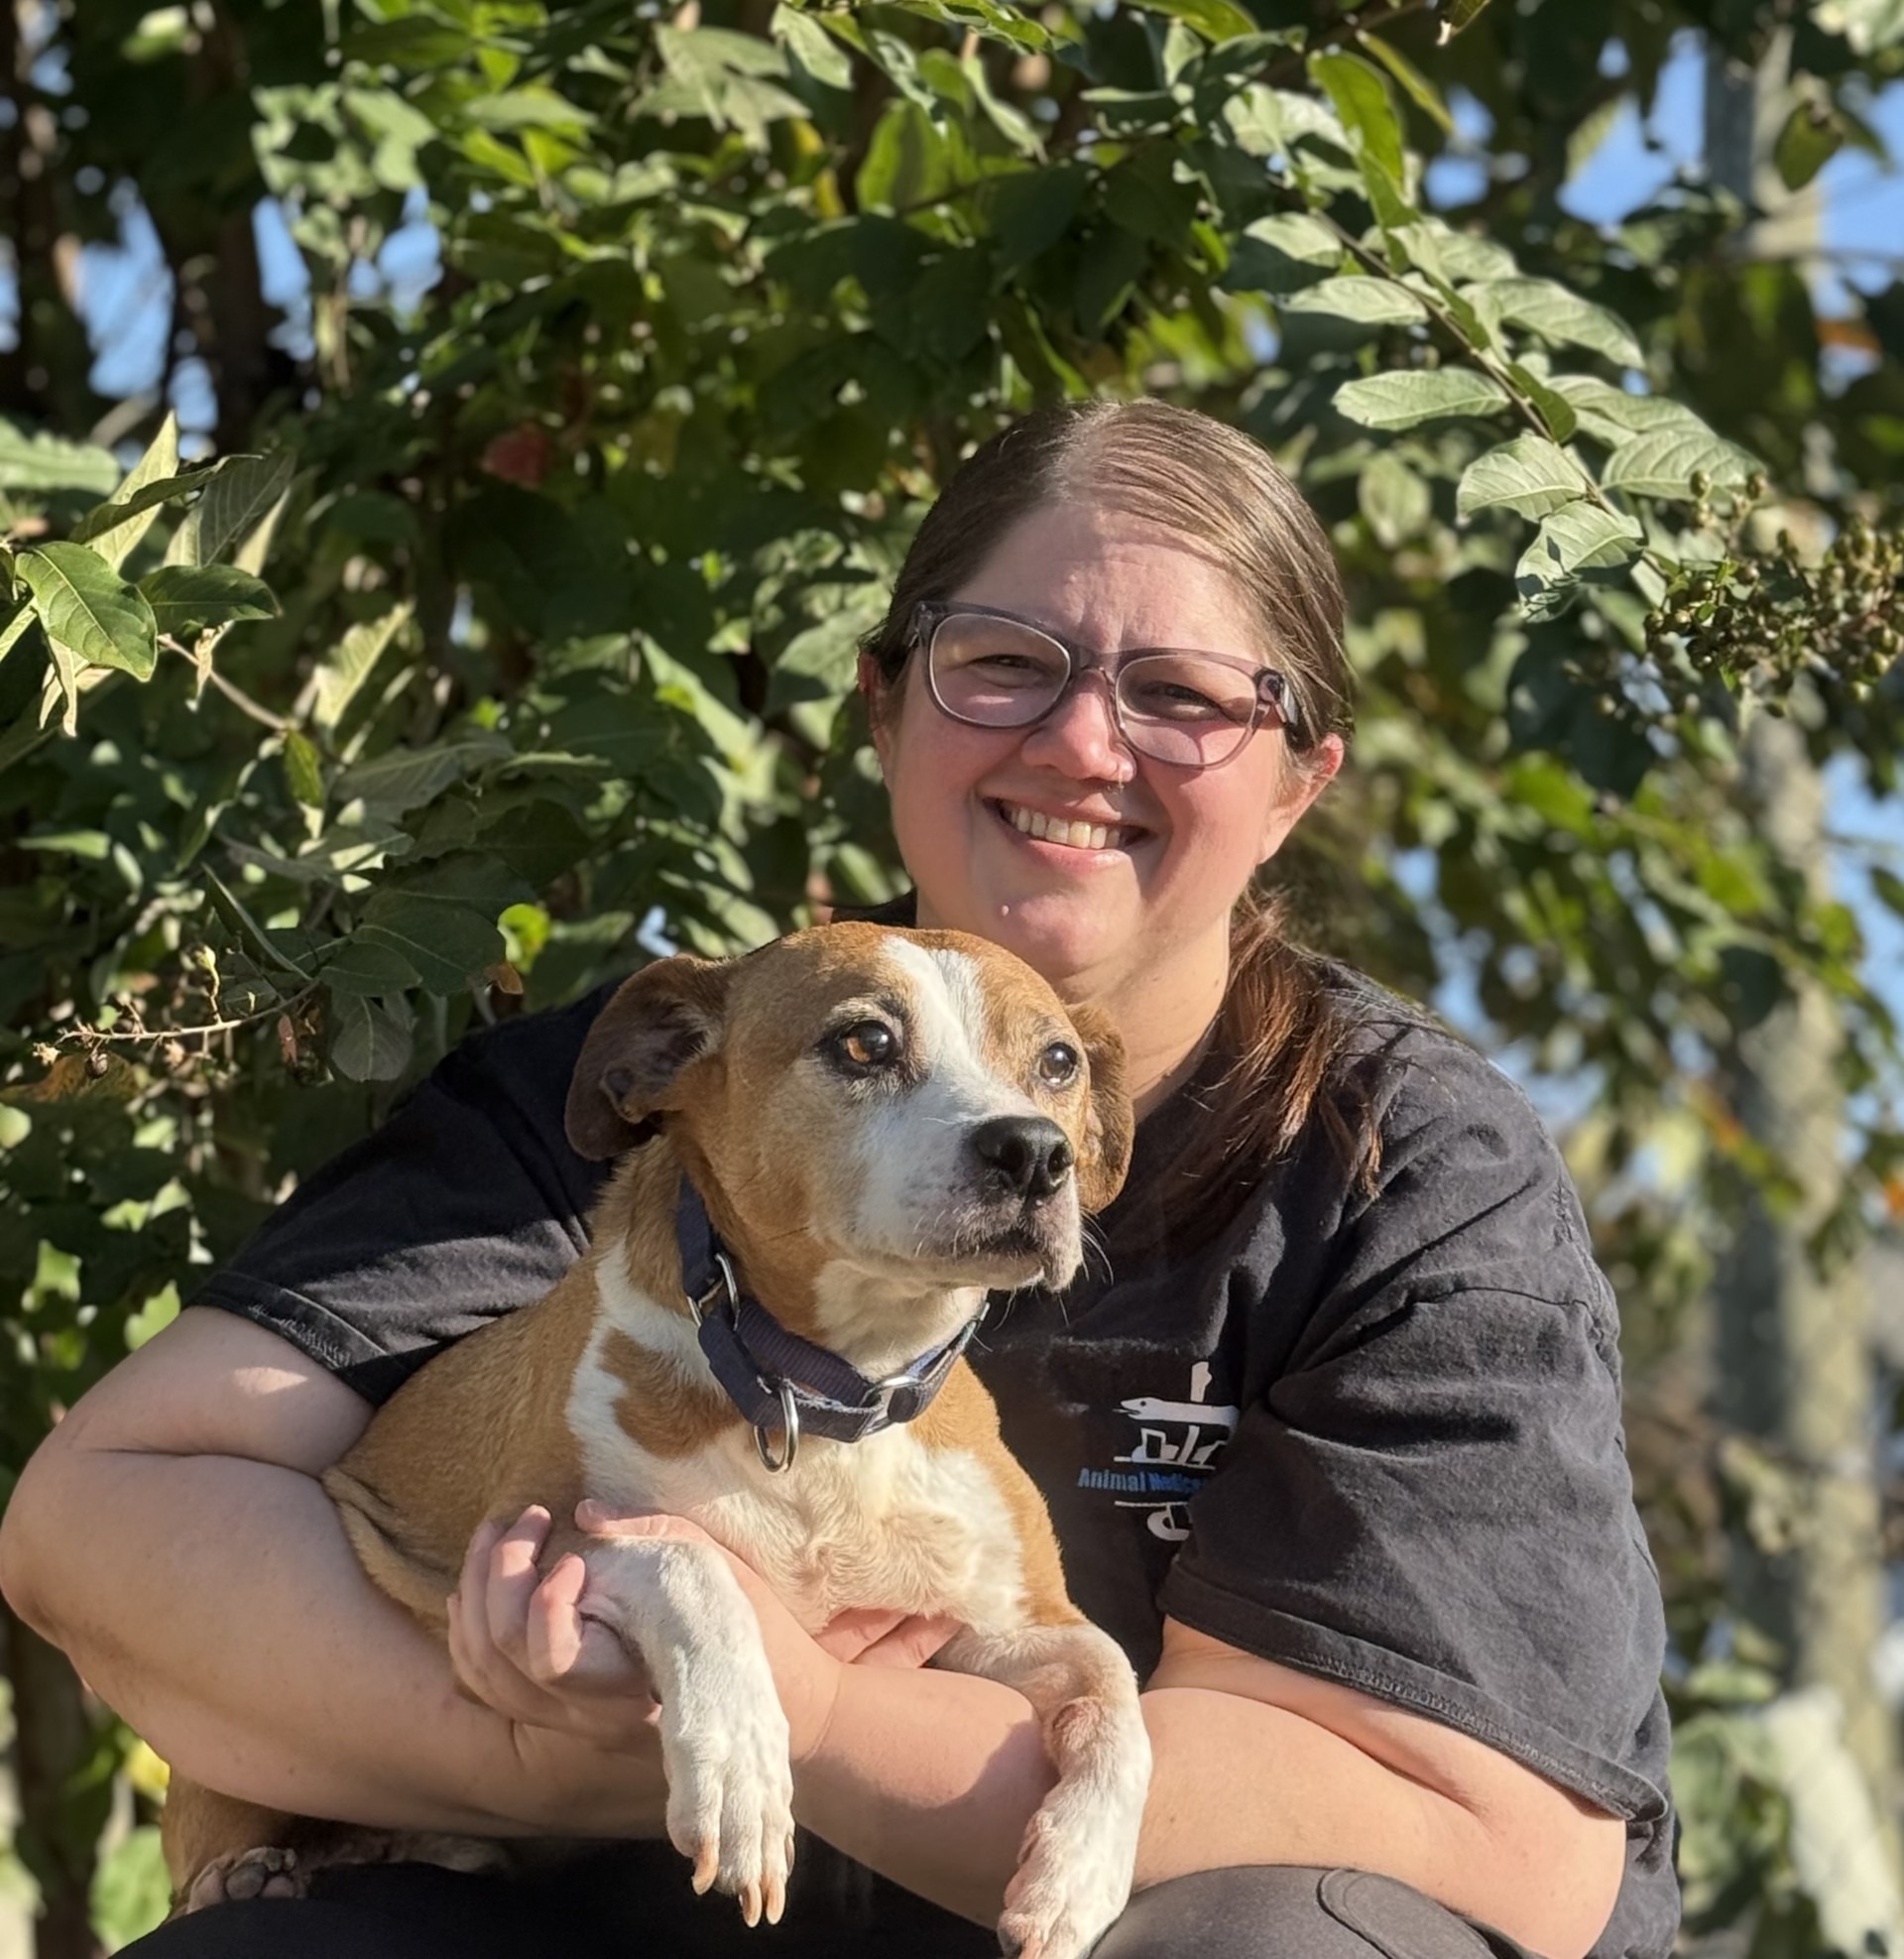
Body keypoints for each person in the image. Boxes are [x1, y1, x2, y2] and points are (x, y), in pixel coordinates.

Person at [0, 401, 1673, 1959]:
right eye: (1007, 662)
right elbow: (102, 1526)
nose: (1086, 741)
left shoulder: (1408, 1173)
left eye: (1182, 695)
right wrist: (568, 1712)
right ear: (885, 702)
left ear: (1300, 775)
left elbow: (1504, 1840)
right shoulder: (667, 1085)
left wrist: (798, 1707)